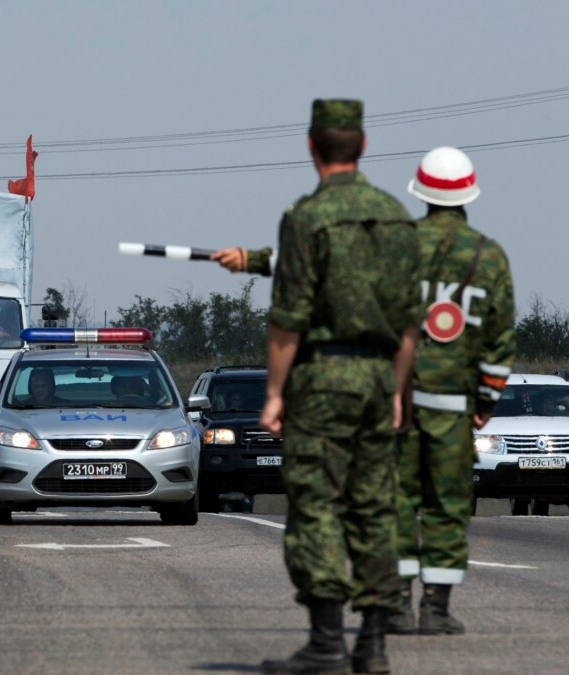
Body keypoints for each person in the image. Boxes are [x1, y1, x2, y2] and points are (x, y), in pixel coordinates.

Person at [213, 146, 516, 641]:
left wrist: (253, 260)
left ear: (419, 191)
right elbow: (500, 340)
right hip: (450, 405)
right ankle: (436, 609)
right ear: (468, 195)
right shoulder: (489, 257)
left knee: (395, 500)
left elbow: (326, 269)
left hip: (393, 397)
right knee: (448, 504)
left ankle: (395, 604)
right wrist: (484, 401)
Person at [211, 99, 420, 675]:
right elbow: (409, 323)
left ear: (311, 146)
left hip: (324, 378)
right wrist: (399, 391)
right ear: (363, 146)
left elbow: (289, 318)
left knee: (317, 506)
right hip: (380, 376)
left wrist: (275, 393)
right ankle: (374, 642)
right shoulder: (398, 218)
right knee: (376, 506)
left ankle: (328, 640)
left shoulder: (306, 217)